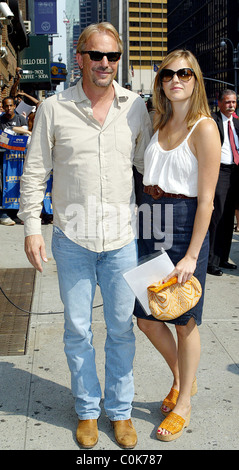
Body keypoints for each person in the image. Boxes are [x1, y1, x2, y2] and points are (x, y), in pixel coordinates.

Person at [18, 22, 152, 449]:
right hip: (72, 239)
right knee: (77, 330)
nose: (106, 64)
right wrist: (31, 229)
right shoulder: (55, 108)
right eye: (97, 55)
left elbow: (149, 166)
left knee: (121, 330)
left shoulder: (135, 108)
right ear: (80, 58)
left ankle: (121, 411)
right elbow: (35, 172)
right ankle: (88, 411)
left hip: (121, 241)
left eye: (113, 56)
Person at [133, 49, 221, 441]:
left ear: (195, 79)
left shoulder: (204, 127)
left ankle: (183, 401)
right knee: (148, 317)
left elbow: (208, 201)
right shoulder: (159, 119)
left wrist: (190, 255)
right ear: (161, 83)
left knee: (184, 320)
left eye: (184, 73)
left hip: (185, 225)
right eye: (168, 75)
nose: (176, 80)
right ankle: (181, 378)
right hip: (151, 219)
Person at [207, 89, 239, 275]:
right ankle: (211, 261)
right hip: (219, 172)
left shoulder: (236, 122)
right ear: (219, 103)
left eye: (234, 102)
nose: (231, 105)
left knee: (229, 219)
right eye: (227, 102)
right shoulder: (212, 121)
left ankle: (223, 258)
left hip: (235, 173)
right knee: (217, 217)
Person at [0, 96, 29, 226]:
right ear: (3, 107)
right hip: (3, 158)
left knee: (17, 184)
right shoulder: (0, 120)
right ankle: (3, 213)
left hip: (17, 159)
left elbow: (25, 136)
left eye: (11, 105)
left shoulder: (20, 119)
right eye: (6, 106)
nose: (9, 108)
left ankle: (15, 213)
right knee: (3, 184)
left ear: (14, 106)